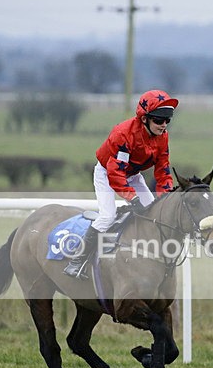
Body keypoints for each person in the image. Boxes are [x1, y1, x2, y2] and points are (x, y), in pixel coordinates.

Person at [64, 89, 178, 278]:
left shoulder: (162, 136)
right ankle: (77, 260)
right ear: (144, 118)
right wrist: (131, 198)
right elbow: (115, 174)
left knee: (152, 212)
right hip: (107, 173)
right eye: (159, 120)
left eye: (167, 120)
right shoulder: (123, 134)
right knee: (107, 216)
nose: (163, 125)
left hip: (132, 174)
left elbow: (163, 171)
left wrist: (166, 196)